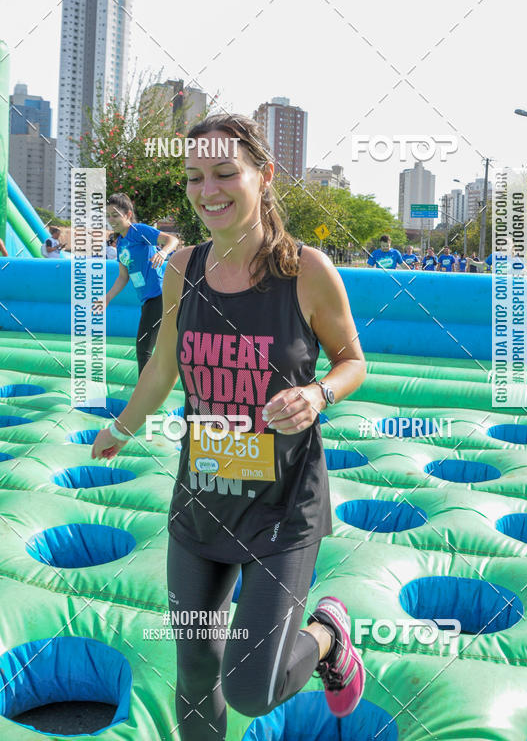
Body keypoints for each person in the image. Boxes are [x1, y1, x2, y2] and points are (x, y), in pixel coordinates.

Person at [90, 114, 367, 739]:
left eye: (224, 173)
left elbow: (354, 362)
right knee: (194, 673)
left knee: (249, 688)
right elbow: (163, 367)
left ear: (263, 176)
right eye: (194, 177)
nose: (207, 189)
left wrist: (319, 393)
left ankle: (327, 635)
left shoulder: (308, 272)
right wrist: (124, 426)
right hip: (202, 502)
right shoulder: (180, 267)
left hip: (282, 509)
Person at [93, 194, 179, 375]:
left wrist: (163, 253)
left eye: (115, 215)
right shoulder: (122, 243)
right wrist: (107, 298)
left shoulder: (139, 231)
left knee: (143, 348)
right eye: (108, 216)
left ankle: (144, 392)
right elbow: (123, 277)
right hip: (147, 299)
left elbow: (173, 240)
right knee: (153, 347)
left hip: (160, 295)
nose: (111, 220)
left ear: (128, 214)